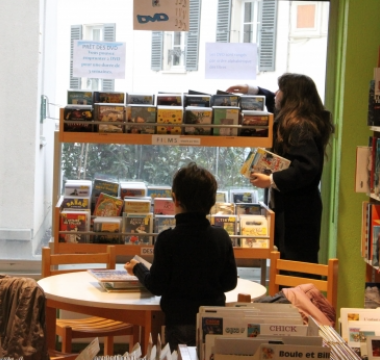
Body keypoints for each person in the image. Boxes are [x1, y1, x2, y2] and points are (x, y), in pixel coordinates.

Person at [124, 162, 238, 351]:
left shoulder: (167, 239)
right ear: (211, 202)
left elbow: (156, 285)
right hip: (215, 322)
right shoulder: (221, 237)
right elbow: (229, 283)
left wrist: (137, 267)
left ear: (175, 199)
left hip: (179, 323)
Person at [227, 73, 334, 264]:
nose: (276, 94)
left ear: (291, 96)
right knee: (285, 261)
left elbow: (307, 166)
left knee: (295, 265)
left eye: (281, 90)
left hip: (299, 213)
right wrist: (250, 89)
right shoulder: (294, 120)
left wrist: (271, 180)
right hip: (293, 209)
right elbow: (270, 100)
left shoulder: (301, 126)